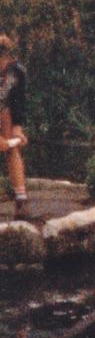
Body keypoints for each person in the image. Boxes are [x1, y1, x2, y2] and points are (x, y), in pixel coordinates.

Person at [0, 35, 29, 219]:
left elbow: (18, 101)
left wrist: (16, 130)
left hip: (3, 110)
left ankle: (21, 199)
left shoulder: (17, 71)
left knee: (13, 147)